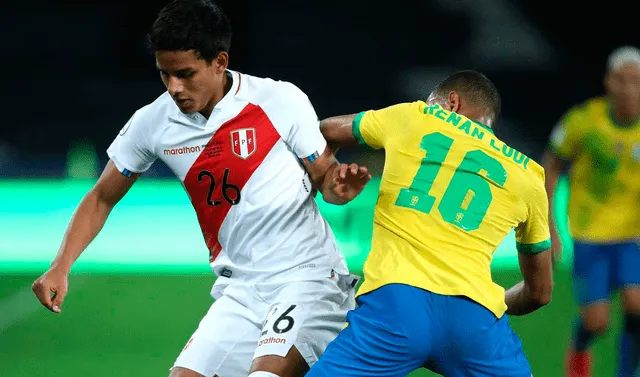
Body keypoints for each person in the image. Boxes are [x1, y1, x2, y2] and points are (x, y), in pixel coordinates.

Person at [31, 1, 369, 377]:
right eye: (165, 74)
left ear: (220, 62)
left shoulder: (279, 100)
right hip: (239, 291)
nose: (175, 87)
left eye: (186, 74)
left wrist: (340, 187)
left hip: (306, 279)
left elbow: (326, 179)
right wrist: (60, 267)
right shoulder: (152, 123)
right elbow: (102, 196)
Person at [306, 70, 554, 377]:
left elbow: (322, 131)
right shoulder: (528, 174)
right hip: (475, 322)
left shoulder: (415, 116)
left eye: (430, 101)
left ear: (451, 102)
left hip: (395, 307)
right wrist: (486, 303)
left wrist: (329, 182)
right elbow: (540, 292)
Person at [544, 46, 640, 377]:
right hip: (590, 234)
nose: (629, 89)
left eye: (637, 81)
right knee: (597, 323)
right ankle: (579, 344)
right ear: (608, 83)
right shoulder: (583, 121)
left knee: (636, 308)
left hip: (632, 235)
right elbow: (550, 168)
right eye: (622, 80)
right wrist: (550, 228)